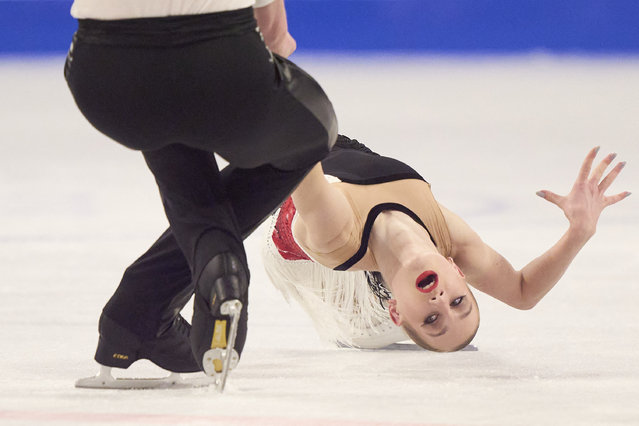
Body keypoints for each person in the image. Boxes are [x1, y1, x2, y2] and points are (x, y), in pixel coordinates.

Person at [65, 0, 337, 388]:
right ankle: (161, 291)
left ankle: (145, 311)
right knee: (311, 135)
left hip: (102, 74)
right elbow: (275, 37)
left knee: (163, 108)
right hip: (218, 61)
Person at [262, 136, 630, 351]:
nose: (441, 301)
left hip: (295, 249)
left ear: (398, 310)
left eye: (432, 318)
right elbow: (522, 293)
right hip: (341, 155)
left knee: (367, 336)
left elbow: (293, 145)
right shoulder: (454, 242)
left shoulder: (337, 232)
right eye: (458, 301)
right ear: (458, 271)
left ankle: (376, 320)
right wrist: (578, 233)